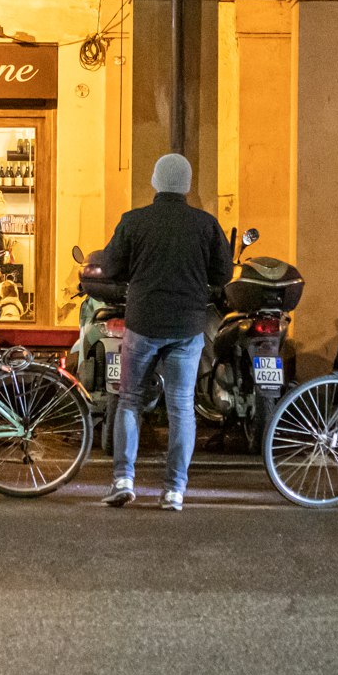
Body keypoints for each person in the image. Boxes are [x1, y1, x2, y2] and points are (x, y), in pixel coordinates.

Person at [94, 153, 231, 512]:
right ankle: (174, 491)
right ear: (186, 185)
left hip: (143, 324)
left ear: (155, 181)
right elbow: (223, 276)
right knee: (182, 407)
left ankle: (124, 479)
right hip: (187, 327)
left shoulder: (134, 222)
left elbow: (109, 266)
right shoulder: (206, 225)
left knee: (129, 401)